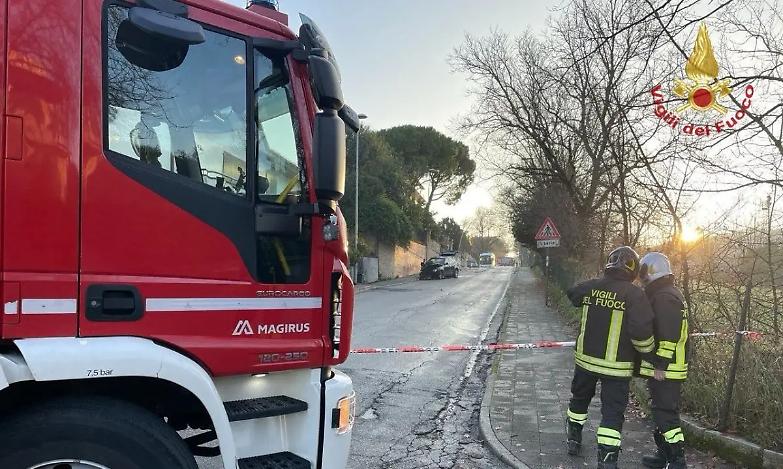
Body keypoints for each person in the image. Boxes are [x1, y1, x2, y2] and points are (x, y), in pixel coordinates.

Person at [565, 246, 656, 469]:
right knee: (612, 414)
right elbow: (641, 333)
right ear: (633, 269)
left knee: (579, 400)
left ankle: (573, 439)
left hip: (585, 361)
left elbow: (572, 294)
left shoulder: (592, 287)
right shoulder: (635, 295)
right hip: (617, 367)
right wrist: (650, 354)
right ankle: (607, 461)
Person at [638, 252, 689, 469]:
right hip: (668, 367)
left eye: (642, 273)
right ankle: (664, 455)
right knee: (660, 412)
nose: (641, 278)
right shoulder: (666, 293)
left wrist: (660, 364)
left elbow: (668, 334)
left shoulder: (664, 297)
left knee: (666, 414)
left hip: (667, 368)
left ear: (649, 272)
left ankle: (677, 459)